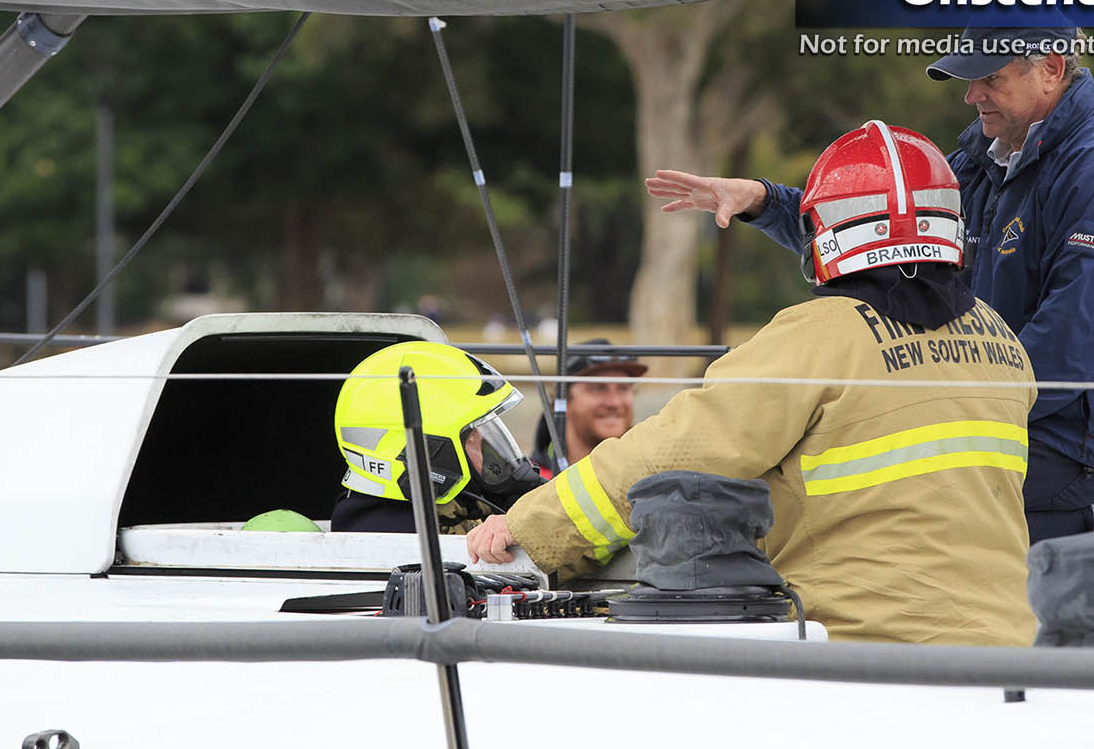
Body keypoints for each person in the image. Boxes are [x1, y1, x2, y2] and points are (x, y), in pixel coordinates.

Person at [469, 122, 1038, 645]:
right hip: (1007, 653)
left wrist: (529, 531)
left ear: (827, 233)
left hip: (864, 653)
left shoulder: (815, 338)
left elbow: (669, 458)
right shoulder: (1001, 342)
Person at [644, 25, 1094, 542]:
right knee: (815, 477)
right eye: (968, 79)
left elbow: (1070, 349)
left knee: (872, 495)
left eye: (989, 78)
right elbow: (870, 239)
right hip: (997, 417)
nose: (971, 95)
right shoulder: (981, 164)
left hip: (1078, 451)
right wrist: (765, 201)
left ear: (1051, 70)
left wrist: (944, 408)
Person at [330, 341, 543, 533]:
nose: (490, 449)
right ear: (432, 453)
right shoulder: (399, 538)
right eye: (472, 435)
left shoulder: (461, 513)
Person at [531, 338, 647, 477]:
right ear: (563, 400)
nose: (614, 402)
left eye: (623, 388)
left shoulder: (652, 481)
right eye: (598, 388)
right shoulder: (531, 486)